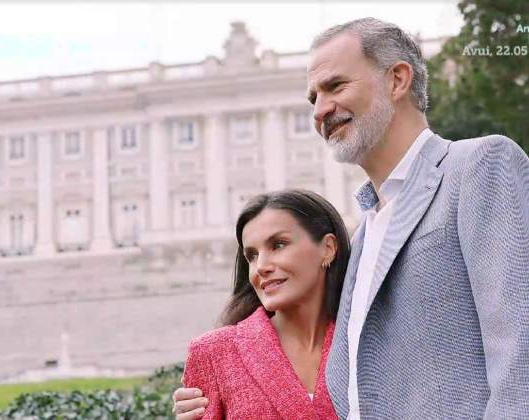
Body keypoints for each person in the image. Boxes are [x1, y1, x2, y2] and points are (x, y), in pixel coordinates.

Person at [174, 17, 529, 419]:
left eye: (336, 86)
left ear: (397, 80)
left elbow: (522, 358)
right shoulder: (360, 239)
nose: (320, 110)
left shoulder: (478, 166)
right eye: (313, 98)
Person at [178, 189, 350, 419]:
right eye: (252, 255)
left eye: (278, 245)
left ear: (328, 248)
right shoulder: (212, 353)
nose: (261, 266)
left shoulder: (367, 343)